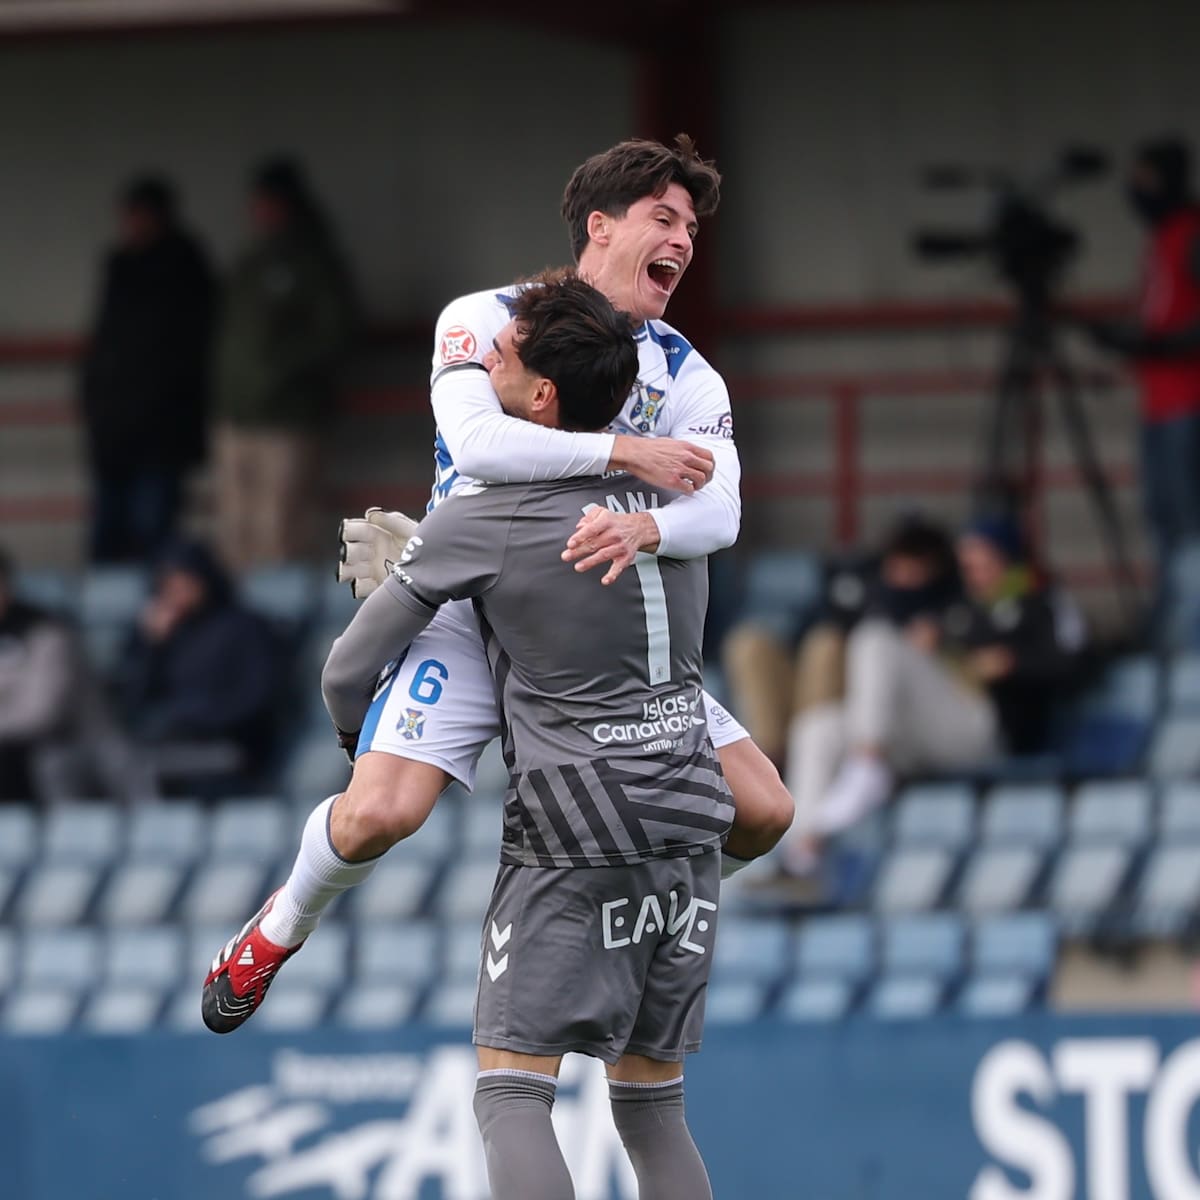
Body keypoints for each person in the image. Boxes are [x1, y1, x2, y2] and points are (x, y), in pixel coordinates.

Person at [203, 134, 791, 1025]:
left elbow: (723, 510)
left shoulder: (686, 373)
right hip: (468, 606)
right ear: (600, 227)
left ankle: (638, 920)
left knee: (764, 810)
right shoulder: (487, 321)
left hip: (591, 632)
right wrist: (628, 452)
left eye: (692, 230)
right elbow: (476, 444)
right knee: (378, 816)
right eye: (664, 218)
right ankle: (278, 928)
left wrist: (649, 526)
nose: (683, 240)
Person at [209, 274, 728, 1200]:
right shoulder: (666, 520)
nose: (486, 355)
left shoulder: (487, 512)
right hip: (689, 817)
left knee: (511, 1095)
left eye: (507, 354)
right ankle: (280, 926)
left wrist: (361, 719)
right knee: (655, 1111)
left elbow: (346, 670)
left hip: (578, 827)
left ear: (543, 396)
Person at [778, 514, 1085, 867]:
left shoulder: (1039, 600)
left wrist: (1012, 662)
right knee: (818, 727)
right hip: (934, 730)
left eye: (983, 563)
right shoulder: (960, 605)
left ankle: (868, 762)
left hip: (990, 732)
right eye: (967, 565)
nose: (974, 573)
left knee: (876, 638)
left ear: (1008, 560)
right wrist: (939, 644)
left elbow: (1076, 664)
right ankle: (801, 853)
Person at [213, 157, 357, 569]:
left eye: (268, 201)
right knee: (234, 532)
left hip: (290, 417)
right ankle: (237, 612)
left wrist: (279, 374)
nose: (259, 210)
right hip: (237, 414)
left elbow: (335, 333)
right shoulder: (249, 262)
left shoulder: (313, 261)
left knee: (280, 531)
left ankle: (278, 607)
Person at [79, 174, 215, 563]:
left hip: (161, 433)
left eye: (138, 214)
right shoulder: (120, 266)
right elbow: (104, 344)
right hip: (112, 432)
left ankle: (157, 599)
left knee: (152, 529)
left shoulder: (185, 268)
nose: (131, 224)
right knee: (107, 534)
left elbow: (187, 355)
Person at [1086, 137, 1200, 569]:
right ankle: (1174, 610)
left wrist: (1154, 345)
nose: (1136, 189)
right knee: (1162, 521)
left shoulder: (1191, 232)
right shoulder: (1161, 238)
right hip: (1158, 404)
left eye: (1146, 178)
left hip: (1189, 403)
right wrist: (1127, 344)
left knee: (1188, 524)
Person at [120, 539, 278, 790]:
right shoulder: (162, 635)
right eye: (169, 585)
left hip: (229, 742)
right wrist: (152, 648)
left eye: (185, 582)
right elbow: (135, 700)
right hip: (167, 742)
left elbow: (257, 697)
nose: (178, 592)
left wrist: (200, 718)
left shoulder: (246, 628)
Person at [0, 547, 150, 803]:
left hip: (68, 749)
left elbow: (41, 713)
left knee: (52, 763)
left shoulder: (45, 631)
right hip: (15, 752)